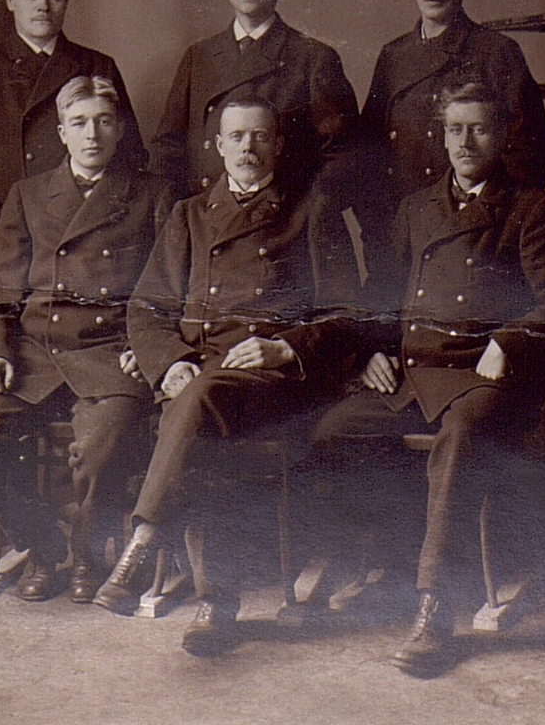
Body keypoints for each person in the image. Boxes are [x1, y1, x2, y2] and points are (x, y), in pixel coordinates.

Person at [314, 76, 545, 677]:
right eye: (456, 129)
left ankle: (435, 604)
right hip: (417, 372)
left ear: (503, 136)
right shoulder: (416, 208)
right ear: (441, 137)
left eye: (480, 129)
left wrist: (510, 340)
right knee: (332, 432)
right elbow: (382, 294)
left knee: (460, 438)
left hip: (487, 375)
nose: (466, 142)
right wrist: (370, 352)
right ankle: (386, 560)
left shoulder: (531, 209)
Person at [93, 94, 361, 653]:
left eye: (260, 136)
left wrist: (284, 348)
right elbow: (146, 309)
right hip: (202, 374)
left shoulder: (311, 210)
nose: (248, 148)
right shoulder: (189, 215)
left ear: (278, 145)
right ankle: (214, 604)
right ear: (218, 147)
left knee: (198, 403)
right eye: (236, 137)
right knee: (200, 412)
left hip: (276, 381)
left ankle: (145, 538)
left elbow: (347, 313)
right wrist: (169, 362)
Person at [0, 77, 174, 604]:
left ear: (120, 130)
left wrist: (149, 347)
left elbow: (170, 287)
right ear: (62, 133)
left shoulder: (153, 194)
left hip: (112, 352)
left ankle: (88, 553)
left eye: (104, 122)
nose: (92, 134)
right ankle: (43, 545)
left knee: (99, 452)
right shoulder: (28, 195)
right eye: (79, 123)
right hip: (35, 354)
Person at [356, 0, 545, 292]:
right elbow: (367, 151)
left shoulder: (497, 52)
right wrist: (378, 223)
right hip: (401, 234)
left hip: (476, 238)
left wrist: (486, 222)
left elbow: (532, 155)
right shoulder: (394, 56)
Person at [0, 0, 147, 270]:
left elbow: (128, 155)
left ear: (66, 2)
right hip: (0, 245)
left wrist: (91, 236)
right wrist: (2, 241)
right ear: (10, 1)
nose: (43, 6)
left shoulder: (97, 66)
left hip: (82, 246)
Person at [150, 0, 358, 202]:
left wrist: (305, 212)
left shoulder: (313, 58)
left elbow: (342, 154)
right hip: (207, 212)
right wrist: (176, 213)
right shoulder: (198, 56)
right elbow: (168, 148)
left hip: (282, 216)